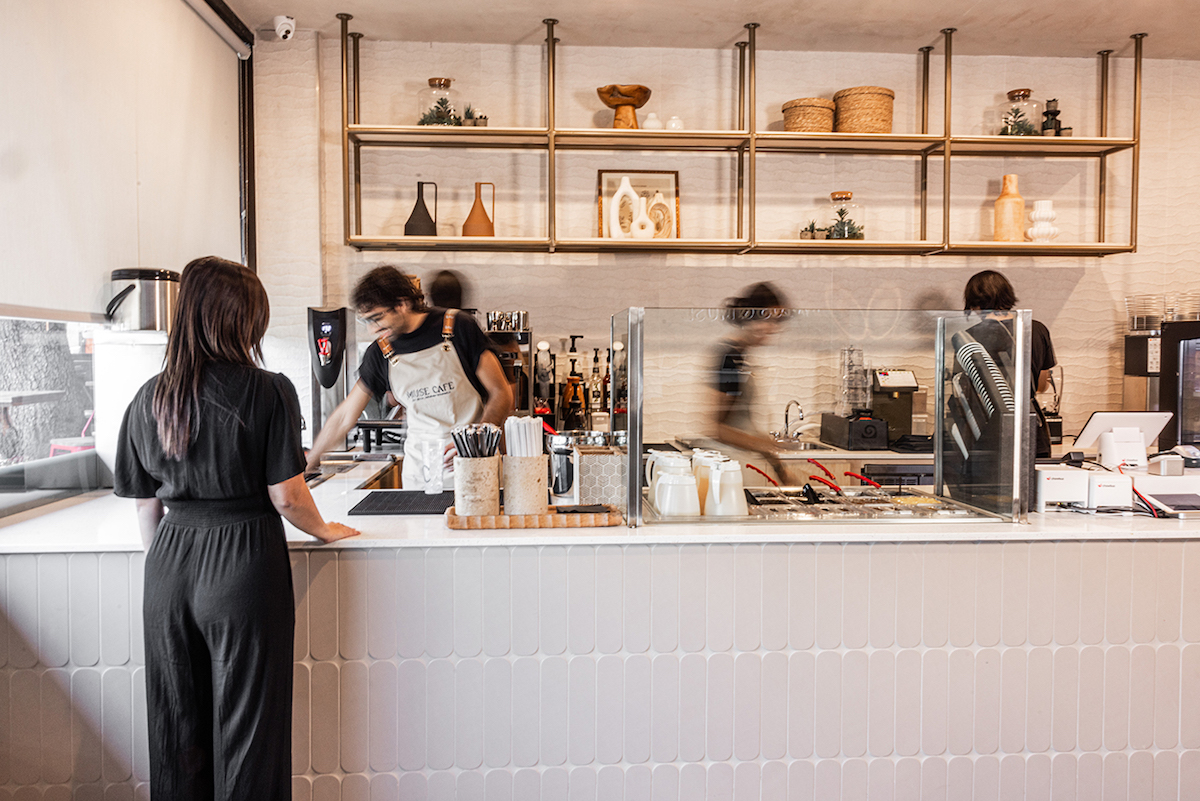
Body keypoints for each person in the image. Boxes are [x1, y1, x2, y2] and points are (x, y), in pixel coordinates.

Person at [114, 256, 359, 800]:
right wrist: (326, 531)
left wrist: (176, 566)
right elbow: (288, 496)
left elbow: (146, 509)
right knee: (249, 735)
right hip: (243, 564)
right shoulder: (269, 390)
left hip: (169, 569)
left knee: (178, 730)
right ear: (240, 320)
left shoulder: (149, 397)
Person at [307, 265, 513, 487]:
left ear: (402, 304)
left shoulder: (458, 327)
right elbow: (344, 416)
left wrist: (477, 440)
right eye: (366, 321)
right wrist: (309, 463)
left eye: (377, 318)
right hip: (419, 476)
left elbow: (501, 392)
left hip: (474, 467)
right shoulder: (380, 352)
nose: (372, 330)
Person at [962, 269, 1058, 458]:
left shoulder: (970, 338)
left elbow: (967, 391)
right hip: (1032, 429)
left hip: (990, 430)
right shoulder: (1037, 329)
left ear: (974, 302)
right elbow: (1041, 385)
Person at [710, 282, 790, 478]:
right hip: (729, 468)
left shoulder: (741, 355)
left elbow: (741, 422)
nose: (772, 328)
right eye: (768, 320)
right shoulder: (730, 358)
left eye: (777, 322)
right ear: (751, 318)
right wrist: (765, 448)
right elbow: (717, 429)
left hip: (740, 465)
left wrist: (777, 462)